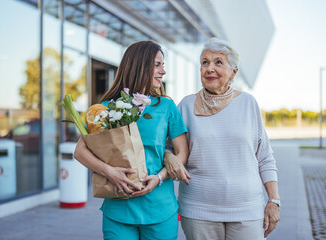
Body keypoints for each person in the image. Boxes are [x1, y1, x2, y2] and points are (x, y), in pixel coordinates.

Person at [165, 38, 280, 240]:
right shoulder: (186, 105)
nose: (210, 68)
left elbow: (264, 157)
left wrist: (274, 200)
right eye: (205, 62)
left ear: (233, 71)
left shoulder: (248, 103)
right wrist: (168, 157)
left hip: (247, 209)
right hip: (198, 210)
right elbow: (168, 148)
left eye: (218, 62)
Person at [74, 41, 189, 240]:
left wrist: (159, 178)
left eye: (163, 65)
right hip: (119, 207)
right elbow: (80, 152)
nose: (163, 71)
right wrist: (109, 171)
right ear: (139, 65)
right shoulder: (108, 107)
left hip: (160, 208)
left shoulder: (167, 107)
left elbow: (182, 153)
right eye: (157, 65)